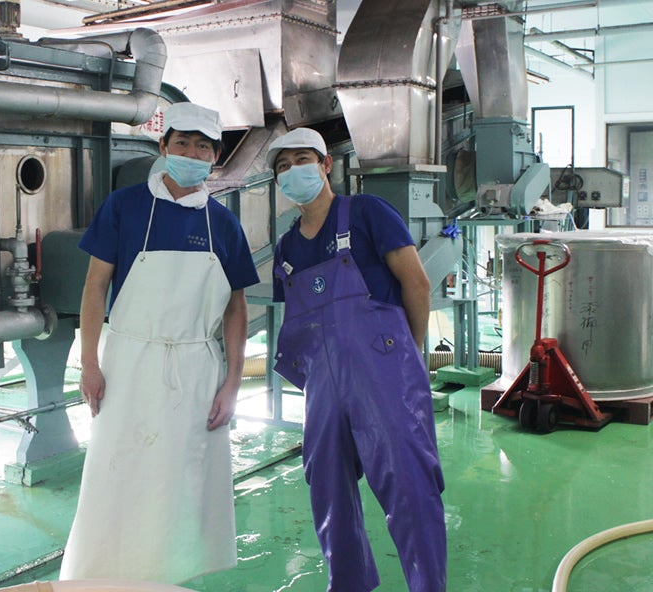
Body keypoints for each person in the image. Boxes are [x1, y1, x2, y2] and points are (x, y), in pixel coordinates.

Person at [59, 102, 260, 583]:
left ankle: (173, 576)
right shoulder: (125, 206)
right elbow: (94, 287)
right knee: (118, 472)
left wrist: (232, 382)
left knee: (185, 480)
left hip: (196, 368)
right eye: (182, 142)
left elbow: (235, 308)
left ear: (215, 156)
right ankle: (101, 577)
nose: (191, 153)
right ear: (163, 146)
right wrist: (89, 363)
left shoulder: (223, 223)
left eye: (202, 146)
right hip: (130, 361)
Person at [268, 127, 447, 592]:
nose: (293, 172)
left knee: (408, 480)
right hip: (323, 385)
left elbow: (416, 283)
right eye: (283, 167)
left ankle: (428, 585)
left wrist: (407, 357)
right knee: (326, 483)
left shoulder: (367, 212)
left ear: (326, 165)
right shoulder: (286, 248)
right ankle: (349, 583)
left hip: (383, 372)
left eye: (302, 160)